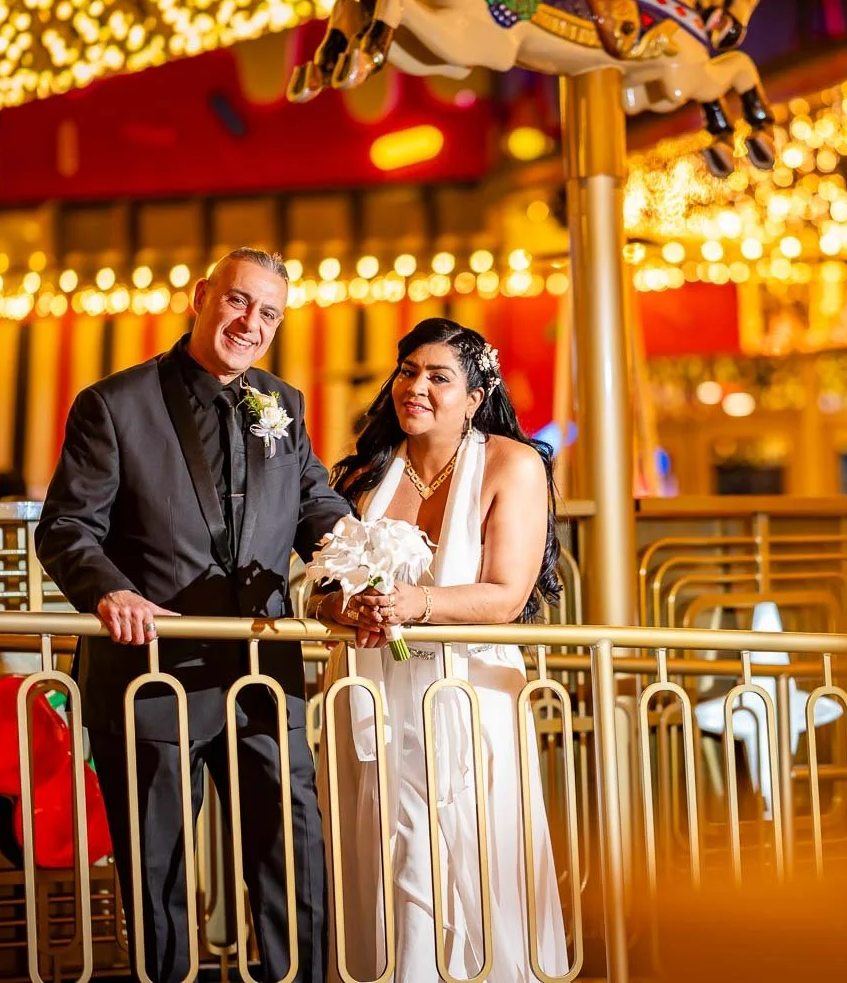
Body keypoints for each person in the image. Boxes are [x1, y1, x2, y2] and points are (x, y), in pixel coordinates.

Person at [36, 247, 348, 983]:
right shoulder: (114, 404)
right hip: (153, 676)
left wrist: (360, 560)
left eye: (269, 312)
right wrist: (108, 589)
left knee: (293, 857)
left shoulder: (284, 404)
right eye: (240, 301)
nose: (251, 323)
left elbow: (315, 506)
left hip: (262, 677)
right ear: (203, 295)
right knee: (158, 880)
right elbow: (66, 528)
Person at [324, 317, 568, 982]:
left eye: (439, 376)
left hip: (469, 695)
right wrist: (351, 607)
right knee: (386, 852)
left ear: (475, 392)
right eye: (408, 371)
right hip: (374, 692)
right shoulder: (369, 475)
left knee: (471, 847)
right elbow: (324, 589)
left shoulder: (513, 465)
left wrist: (413, 604)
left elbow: (506, 594)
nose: (417, 387)